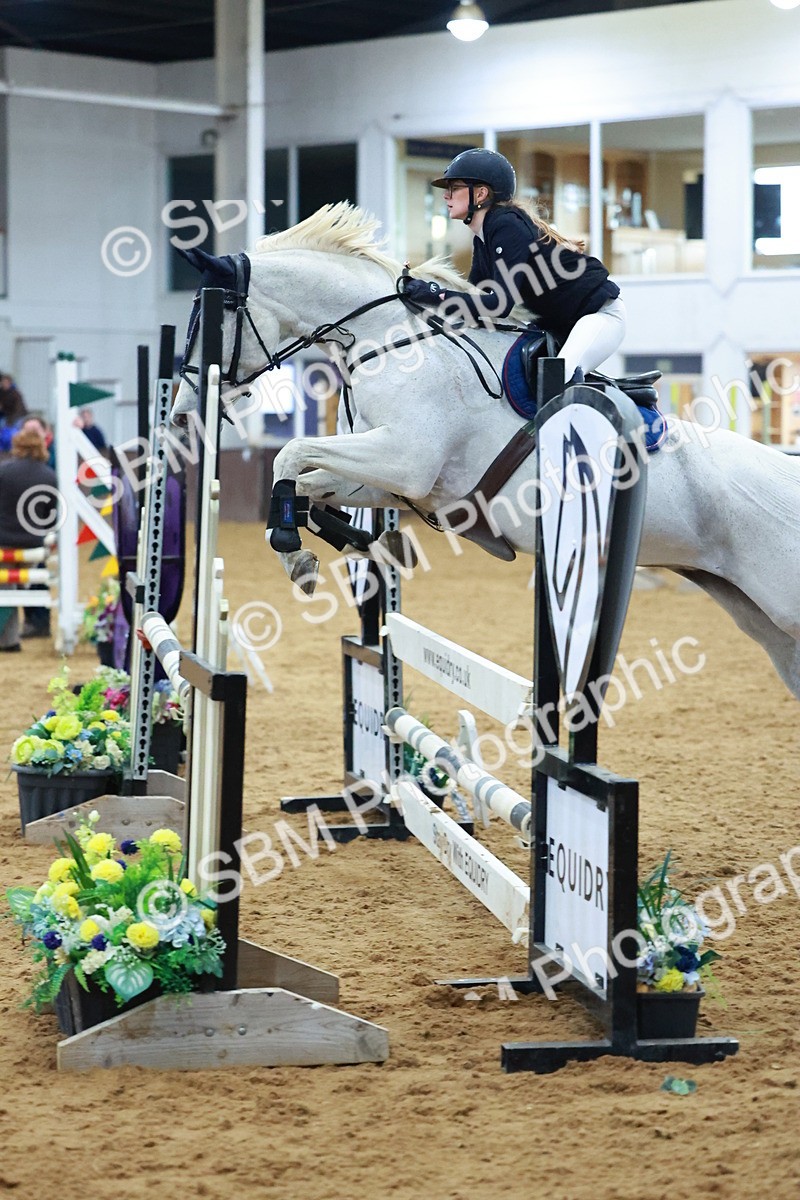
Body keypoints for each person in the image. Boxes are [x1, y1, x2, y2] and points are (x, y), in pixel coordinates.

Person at [402, 148, 625, 383]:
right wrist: (421, 294)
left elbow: (498, 305)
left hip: (599, 316)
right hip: (557, 324)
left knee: (555, 380)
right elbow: (475, 303)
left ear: (480, 194)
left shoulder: (505, 225)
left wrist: (432, 293)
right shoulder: (483, 235)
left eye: (454, 188)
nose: (446, 196)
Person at [0, 425, 58, 649]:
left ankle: (9, 640)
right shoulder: (49, 475)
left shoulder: (4, 470)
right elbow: (50, 518)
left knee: (5, 585)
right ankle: (33, 625)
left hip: (3, 542)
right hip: (33, 546)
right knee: (14, 583)